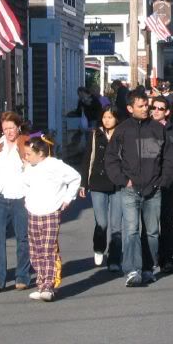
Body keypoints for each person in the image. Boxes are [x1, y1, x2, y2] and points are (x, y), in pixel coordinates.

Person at [104, 90, 173, 287]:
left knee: (152, 232)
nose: (146, 109)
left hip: (154, 190)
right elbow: (110, 158)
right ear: (130, 108)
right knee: (131, 230)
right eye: (141, 106)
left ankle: (147, 268)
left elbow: (168, 159)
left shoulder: (157, 129)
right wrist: (122, 180)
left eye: (147, 105)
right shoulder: (122, 130)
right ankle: (132, 270)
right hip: (129, 189)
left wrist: (163, 181)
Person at [21, 138, 81, 302]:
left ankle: (49, 286)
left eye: (29, 154)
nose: (26, 157)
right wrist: (27, 201)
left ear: (40, 153)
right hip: (33, 212)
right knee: (35, 251)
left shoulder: (55, 165)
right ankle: (41, 284)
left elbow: (75, 177)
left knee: (48, 250)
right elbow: (25, 185)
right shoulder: (29, 168)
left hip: (51, 212)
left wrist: (68, 198)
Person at [0, 112, 33, 293]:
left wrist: (28, 164)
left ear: (18, 127)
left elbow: (38, 162)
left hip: (20, 196)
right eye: (5, 129)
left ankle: (22, 277)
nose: (9, 132)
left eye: (11, 128)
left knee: (23, 238)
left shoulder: (25, 141)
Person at [79, 106, 122, 272]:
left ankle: (114, 258)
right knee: (102, 222)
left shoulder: (123, 134)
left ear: (116, 118)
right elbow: (87, 158)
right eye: (104, 117)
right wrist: (84, 183)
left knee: (116, 225)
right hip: (97, 182)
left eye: (110, 117)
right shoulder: (95, 134)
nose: (107, 120)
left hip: (118, 183)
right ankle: (99, 247)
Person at [148, 96, 173, 274]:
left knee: (166, 222)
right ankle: (148, 258)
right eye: (154, 107)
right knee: (148, 223)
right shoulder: (144, 129)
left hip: (167, 184)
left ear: (167, 112)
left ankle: (167, 259)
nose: (156, 111)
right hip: (147, 183)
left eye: (161, 108)